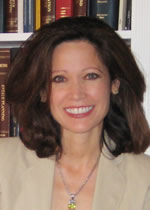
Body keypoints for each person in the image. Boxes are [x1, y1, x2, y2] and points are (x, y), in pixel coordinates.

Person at [0, 16, 150, 210]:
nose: (77, 94)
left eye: (90, 76)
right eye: (59, 79)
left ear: (114, 84)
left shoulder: (144, 179)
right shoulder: (3, 162)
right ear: (43, 92)